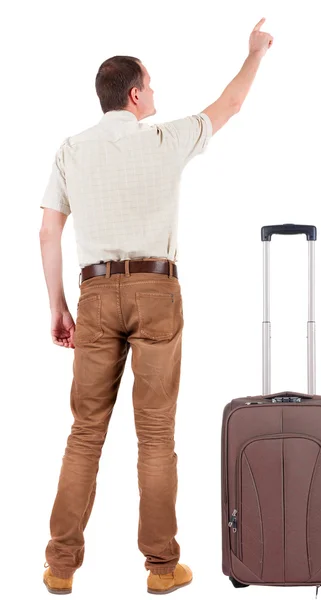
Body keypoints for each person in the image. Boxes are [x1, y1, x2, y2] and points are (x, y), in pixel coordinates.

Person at [40, 17, 273, 595]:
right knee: (155, 435)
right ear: (136, 94)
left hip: (93, 295)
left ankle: (61, 567)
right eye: (152, 85)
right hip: (156, 290)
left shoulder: (71, 149)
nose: (156, 94)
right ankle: (162, 568)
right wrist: (255, 52)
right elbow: (232, 103)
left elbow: (47, 232)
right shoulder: (166, 139)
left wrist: (58, 307)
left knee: (84, 432)